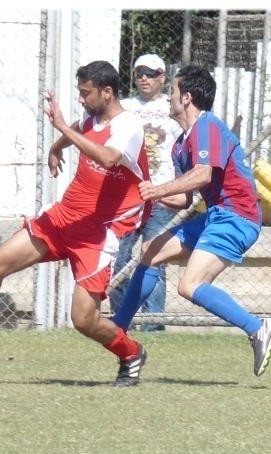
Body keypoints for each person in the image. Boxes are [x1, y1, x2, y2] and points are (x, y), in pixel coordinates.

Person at [0, 60, 151, 387]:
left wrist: (62, 129)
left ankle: (131, 352)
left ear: (107, 92)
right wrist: (57, 147)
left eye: (86, 93)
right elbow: (81, 128)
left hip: (97, 235)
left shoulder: (128, 126)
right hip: (62, 219)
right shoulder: (91, 118)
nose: (81, 99)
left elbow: (108, 158)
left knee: (83, 320)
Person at [112, 65, 271, 376]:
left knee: (190, 285)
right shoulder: (181, 144)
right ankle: (118, 327)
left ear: (187, 97)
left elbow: (202, 175)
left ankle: (258, 327)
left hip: (237, 216)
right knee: (150, 251)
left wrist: (157, 189)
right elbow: (184, 199)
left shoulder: (206, 127)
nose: (168, 98)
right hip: (215, 215)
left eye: (173, 92)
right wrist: (145, 193)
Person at [109, 53, 182, 332]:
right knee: (117, 259)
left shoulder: (172, 107)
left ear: (162, 77)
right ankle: (121, 322)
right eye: (139, 73)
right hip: (128, 195)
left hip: (161, 196)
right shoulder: (125, 107)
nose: (144, 78)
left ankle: (153, 326)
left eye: (150, 74)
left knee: (155, 260)